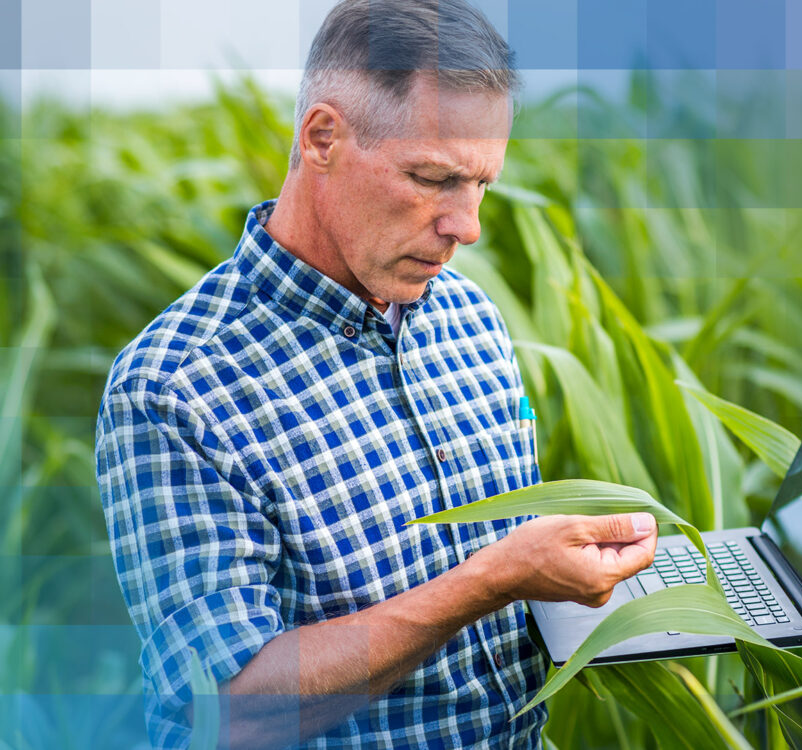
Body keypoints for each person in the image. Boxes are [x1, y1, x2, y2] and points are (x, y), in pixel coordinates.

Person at [94, 0, 659, 747]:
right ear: (322, 137)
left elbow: (513, 575)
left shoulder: (468, 315)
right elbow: (228, 707)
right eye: (433, 178)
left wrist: (610, 584)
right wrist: (492, 579)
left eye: (481, 184)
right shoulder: (176, 387)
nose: (468, 226)